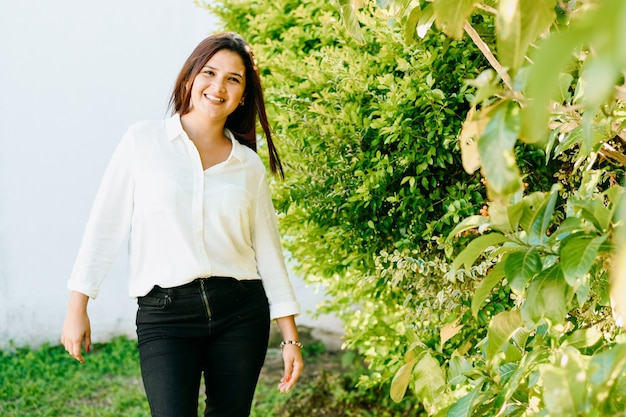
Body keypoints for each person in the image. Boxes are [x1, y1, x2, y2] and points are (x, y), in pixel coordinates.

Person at [61, 32, 303, 417]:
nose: (218, 86)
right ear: (190, 77)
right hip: (165, 315)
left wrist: (291, 339)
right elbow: (104, 225)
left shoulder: (247, 166)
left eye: (233, 79)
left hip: (240, 313)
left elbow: (268, 252)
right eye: (209, 72)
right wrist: (78, 306)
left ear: (243, 95)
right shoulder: (143, 141)